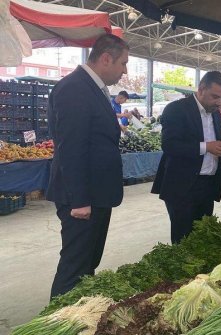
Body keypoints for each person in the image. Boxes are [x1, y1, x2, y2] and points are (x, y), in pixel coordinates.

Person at [46, 34, 129, 298]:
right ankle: (56, 321)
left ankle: (77, 316)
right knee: (75, 267)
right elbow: (71, 148)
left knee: (86, 264)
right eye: (123, 63)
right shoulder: (74, 89)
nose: (125, 71)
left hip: (96, 194)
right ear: (106, 58)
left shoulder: (93, 88)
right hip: (82, 199)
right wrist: (79, 200)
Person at [151, 71, 221, 244]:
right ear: (201, 89)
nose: (218, 102)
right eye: (215, 97)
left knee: (203, 238)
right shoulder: (177, 109)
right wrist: (207, 147)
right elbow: (170, 145)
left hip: (208, 186)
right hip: (183, 186)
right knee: (183, 240)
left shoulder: (216, 114)